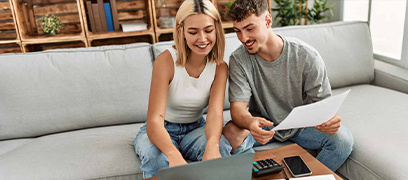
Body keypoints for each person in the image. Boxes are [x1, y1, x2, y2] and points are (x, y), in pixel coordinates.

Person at [221, 0, 354, 172]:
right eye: (237, 31)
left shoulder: (306, 56)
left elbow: (323, 106)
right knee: (230, 135)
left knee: (343, 140)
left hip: (302, 126)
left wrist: (329, 121)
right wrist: (251, 122)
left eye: (250, 28)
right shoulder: (239, 59)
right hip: (262, 124)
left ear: (268, 21)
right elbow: (238, 110)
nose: (243, 38)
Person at [133, 0, 230, 179]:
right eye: (193, 32)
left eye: (208, 30)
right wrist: (173, 154)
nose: (202, 39)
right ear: (181, 31)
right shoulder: (165, 61)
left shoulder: (220, 67)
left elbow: (215, 113)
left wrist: (212, 145)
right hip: (162, 128)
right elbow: (155, 120)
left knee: (221, 148)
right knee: (157, 159)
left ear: (216, 29)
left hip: (196, 127)